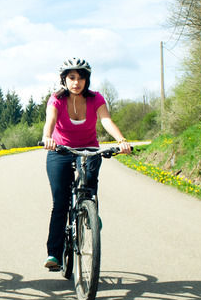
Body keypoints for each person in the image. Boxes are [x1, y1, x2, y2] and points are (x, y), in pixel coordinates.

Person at [40, 57, 132, 270]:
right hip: (60, 150)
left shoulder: (96, 98)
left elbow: (106, 120)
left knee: (89, 184)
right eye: (72, 78)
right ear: (64, 79)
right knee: (60, 202)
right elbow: (50, 121)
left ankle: (90, 210)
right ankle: (54, 253)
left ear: (87, 80)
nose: (76, 82)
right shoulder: (56, 99)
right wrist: (47, 138)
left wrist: (121, 140)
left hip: (89, 148)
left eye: (81, 78)